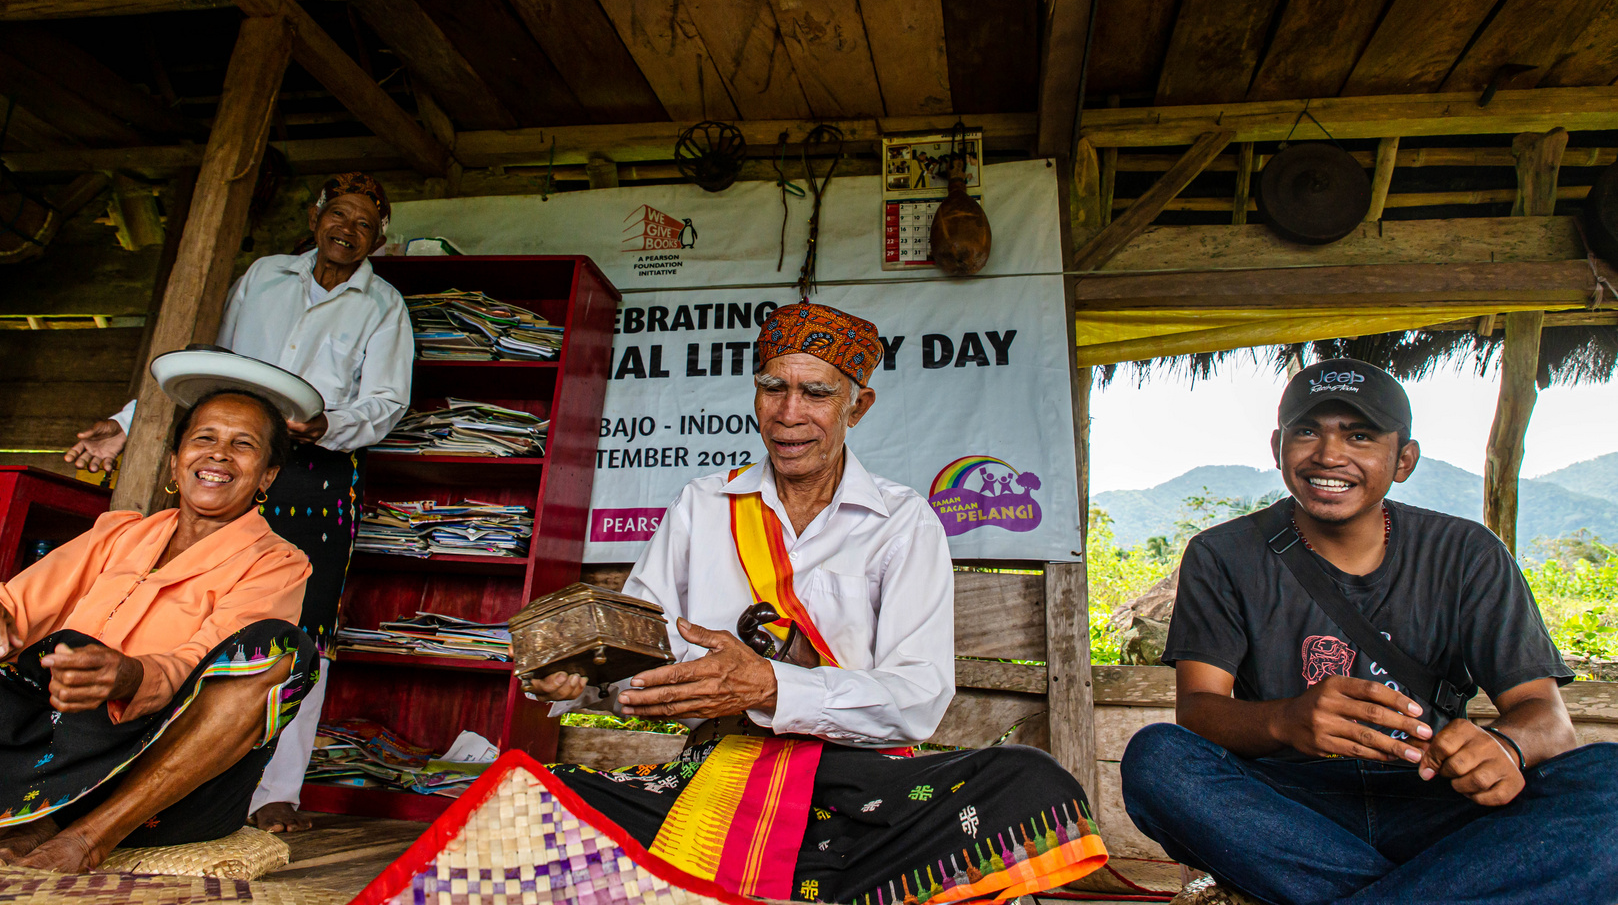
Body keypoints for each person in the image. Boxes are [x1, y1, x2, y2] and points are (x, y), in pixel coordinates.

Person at [524, 303, 1108, 905]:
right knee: (533, 796)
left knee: (1033, 784)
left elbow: (917, 697)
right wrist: (585, 677)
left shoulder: (902, 523)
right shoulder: (702, 507)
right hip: (710, 777)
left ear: (858, 406)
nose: (788, 414)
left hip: (859, 788)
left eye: (817, 392)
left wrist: (771, 688)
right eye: (772, 387)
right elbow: (638, 659)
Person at [1120, 358, 1618, 905]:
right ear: (1276, 447)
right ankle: (1450, 886)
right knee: (1157, 759)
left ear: (1404, 459)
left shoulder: (1467, 553)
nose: (1329, 455)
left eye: (1360, 435)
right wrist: (1287, 720)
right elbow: (1198, 713)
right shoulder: (1223, 554)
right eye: (1307, 431)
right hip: (1289, 814)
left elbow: (1547, 718)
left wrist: (1504, 748)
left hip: (1437, 800)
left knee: (1609, 777)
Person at [64, 171, 413, 834]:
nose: (348, 230)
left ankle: (274, 791)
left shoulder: (382, 306)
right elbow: (209, 367)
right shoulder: (264, 278)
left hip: (314, 475)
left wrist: (327, 424)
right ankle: (158, 778)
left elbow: (387, 404)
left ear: (378, 240)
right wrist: (128, 423)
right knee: (194, 606)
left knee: (301, 629)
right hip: (228, 460)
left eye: (365, 224)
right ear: (314, 220)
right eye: (338, 215)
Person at [0, 390, 317, 872]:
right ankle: (42, 814)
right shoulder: (118, 535)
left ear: (267, 476)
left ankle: (88, 835)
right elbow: (16, 607)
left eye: (243, 444)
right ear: (174, 462)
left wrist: (129, 677)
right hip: (50, 748)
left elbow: (200, 666)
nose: (218, 453)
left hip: (161, 782)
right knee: (66, 650)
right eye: (204, 438)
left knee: (280, 649)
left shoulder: (277, 564)